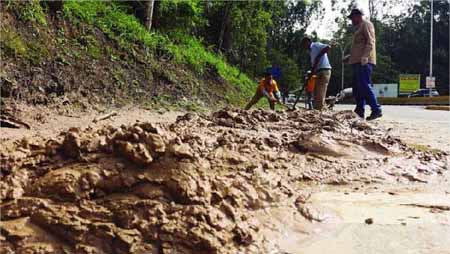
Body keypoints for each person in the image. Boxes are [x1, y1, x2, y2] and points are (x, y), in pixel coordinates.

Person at [344, 8, 382, 120]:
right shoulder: (358, 28)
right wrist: (350, 57)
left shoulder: (366, 24)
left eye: (352, 18)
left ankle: (376, 109)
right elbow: (359, 47)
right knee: (357, 88)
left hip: (364, 62)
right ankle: (359, 111)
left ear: (358, 16)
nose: (351, 21)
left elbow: (371, 41)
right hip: (357, 61)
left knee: (364, 86)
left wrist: (365, 56)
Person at [301, 37, 332, 110]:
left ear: (308, 42)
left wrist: (319, 56)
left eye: (304, 44)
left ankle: (319, 110)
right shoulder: (311, 52)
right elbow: (314, 65)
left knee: (320, 92)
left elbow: (328, 47)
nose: (304, 47)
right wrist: (311, 73)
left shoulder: (316, 45)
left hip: (324, 70)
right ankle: (320, 108)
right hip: (318, 71)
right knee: (316, 92)